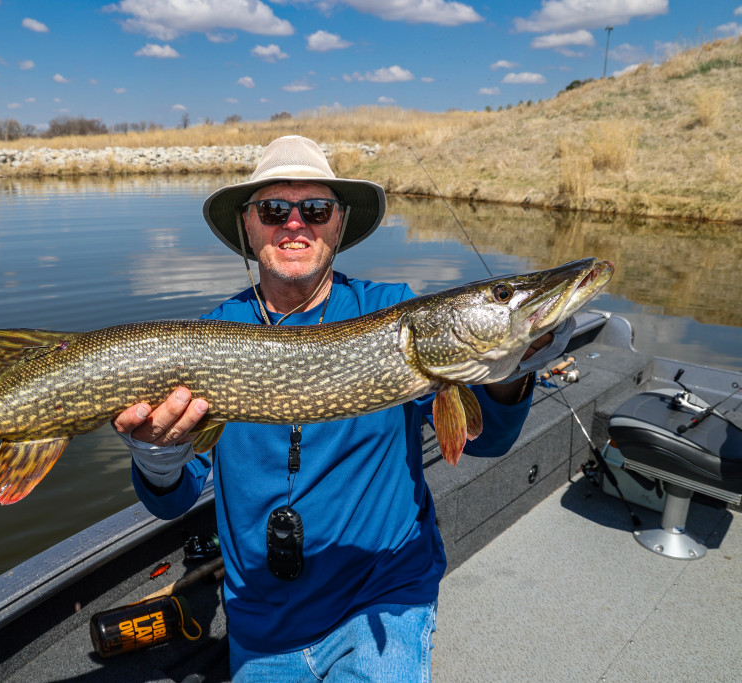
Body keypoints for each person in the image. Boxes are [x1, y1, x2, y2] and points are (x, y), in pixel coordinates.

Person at [113, 136, 572, 681]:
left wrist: (510, 369)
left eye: (316, 209)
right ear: (248, 224)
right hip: (262, 620)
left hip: (384, 594)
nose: (294, 224)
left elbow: (489, 442)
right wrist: (157, 459)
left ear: (338, 223)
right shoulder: (210, 339)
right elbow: (175, 499)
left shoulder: (392, 310)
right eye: (273, 209)